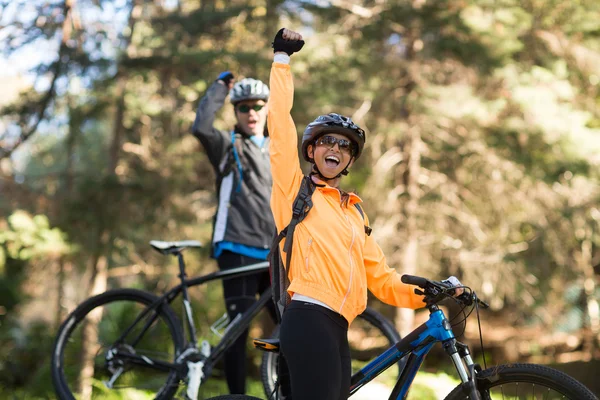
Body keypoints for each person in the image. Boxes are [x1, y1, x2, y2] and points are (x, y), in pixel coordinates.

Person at [267, 28, 463, 400]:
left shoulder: (353, 214)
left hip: (338, 326)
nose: (335, 149)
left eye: (345, 146)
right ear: (312, 150)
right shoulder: (294, 190)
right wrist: (281, 60)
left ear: (349, 161)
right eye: (327, 140)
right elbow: (279, 126)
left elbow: (384, 281)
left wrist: (432, 292)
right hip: (308, 316)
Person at [191, 71, 276, 394]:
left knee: (291, 326)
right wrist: (219, 88)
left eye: (257, 106)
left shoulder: (278, 148)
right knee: (238, 330)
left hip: (273, 253)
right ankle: (237, 396)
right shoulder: (227, 145)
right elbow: (200, 127)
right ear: (235, 112)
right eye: (243, 107)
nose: (251, 112)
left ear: (267, 108)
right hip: (236, 247)